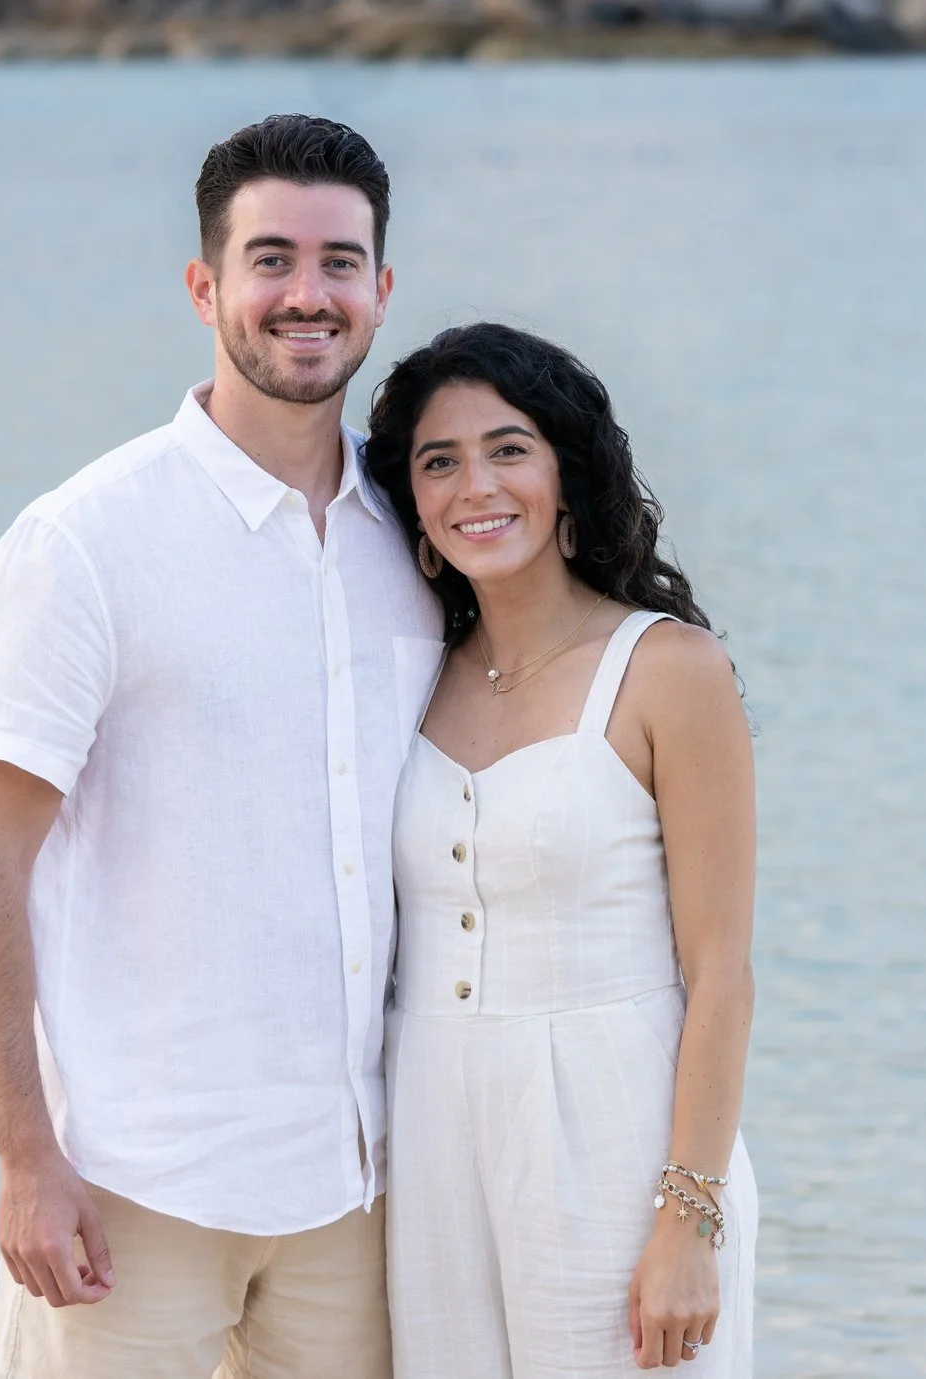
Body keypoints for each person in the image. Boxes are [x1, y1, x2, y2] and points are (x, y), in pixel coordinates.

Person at [0, 114, 439, 1379]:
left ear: (382, 290)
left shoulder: (423, 538)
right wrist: (23, 1157)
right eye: (269, 260)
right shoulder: (83, 543)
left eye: (338, 263)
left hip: (356, 1191)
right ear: (204, 285)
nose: (304, 295)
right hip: (133, 1189)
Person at [363, 323, 761, 1376]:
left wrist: (687, 1219)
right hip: (436, 1127)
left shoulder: (670, 668)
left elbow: (720, 971)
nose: (474, 486)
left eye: (508, 448)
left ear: (565, 472)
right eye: (436, 461)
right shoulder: (412, 676)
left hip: (613, 1129)